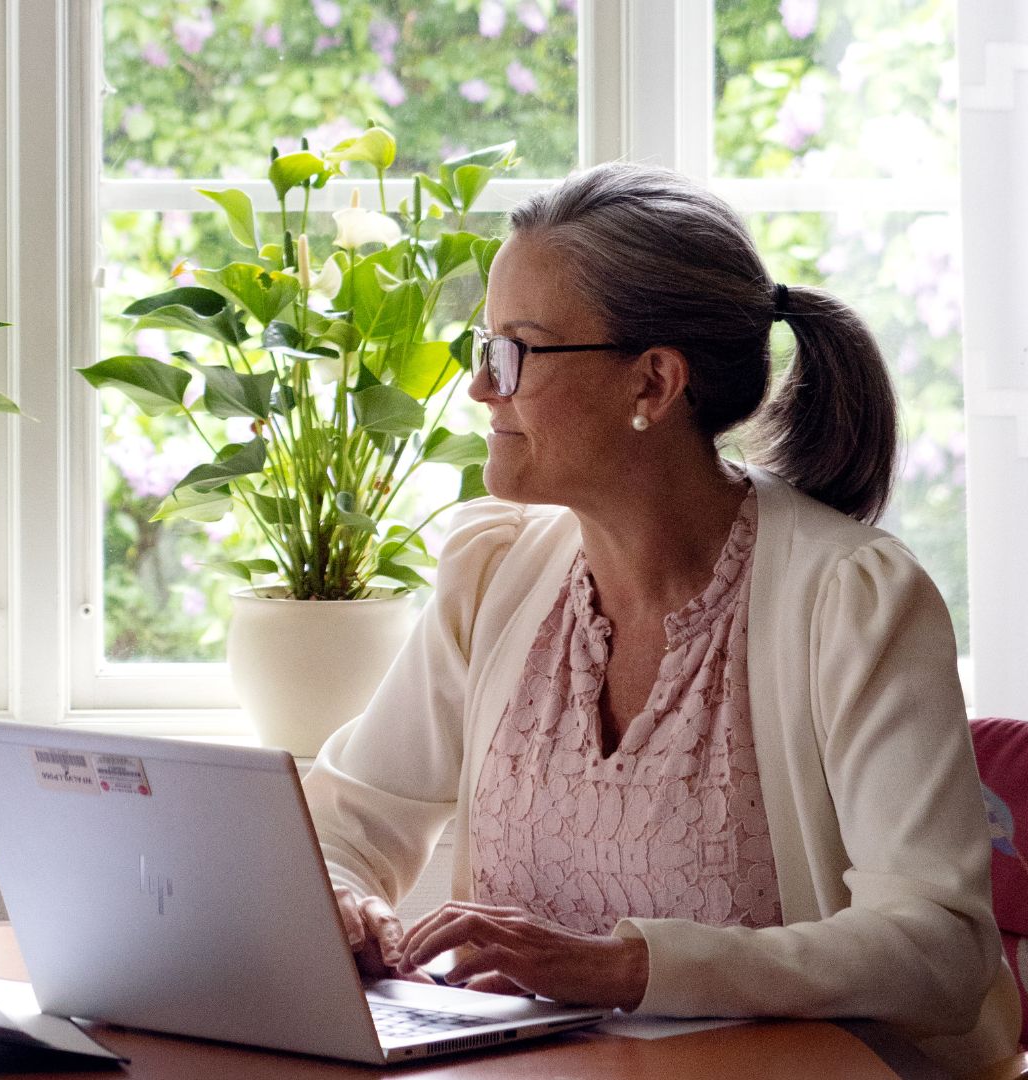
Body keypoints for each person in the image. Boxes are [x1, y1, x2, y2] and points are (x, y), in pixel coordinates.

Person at [302, 161, 1019, 1073]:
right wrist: (339, 897)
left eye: (513, 350)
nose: (482, 390)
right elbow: (346, 824)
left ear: (653, 384)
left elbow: (939, 949)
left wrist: (629, 968)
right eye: (486, 350)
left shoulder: (854, 600)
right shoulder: (494, 576)